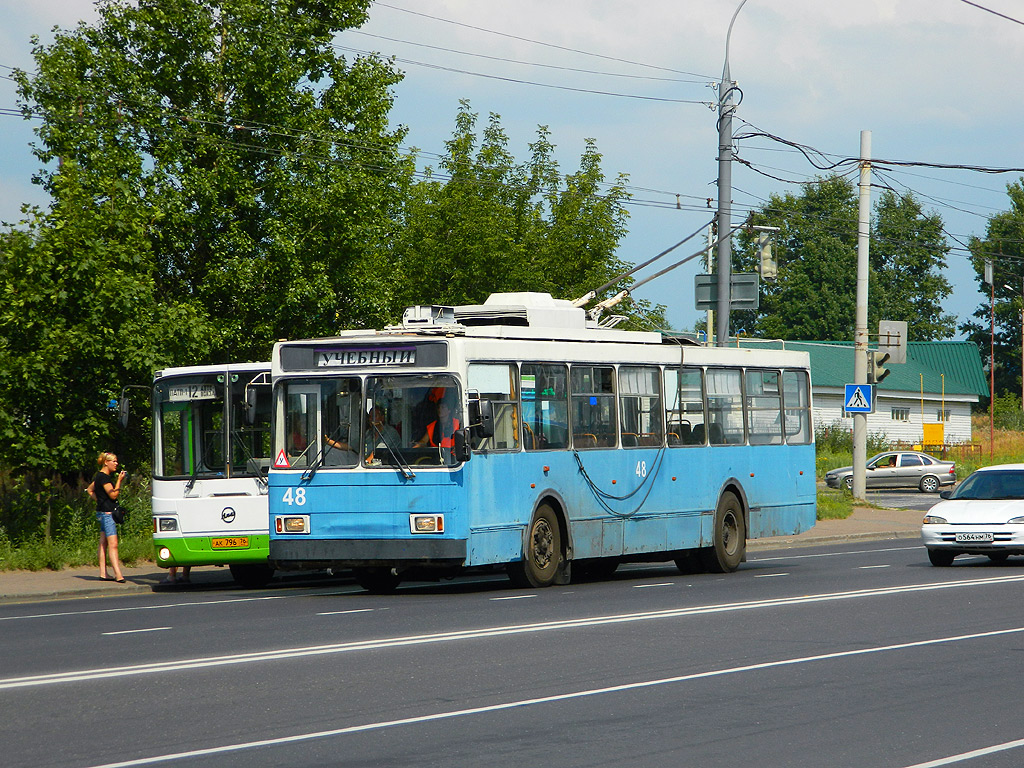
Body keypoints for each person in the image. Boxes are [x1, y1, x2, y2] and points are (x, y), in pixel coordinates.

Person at [85, 451, 127, 583]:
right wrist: (119, 481)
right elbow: (113, 495)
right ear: (106, 462)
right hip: (108, 514)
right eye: (113, 461)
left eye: (116, 461)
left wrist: (99, 501)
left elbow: (89, 489)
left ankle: (103, 573)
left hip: (101, 512)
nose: (116, 464)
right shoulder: (104, 477)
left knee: (103, 543)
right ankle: (118, 574)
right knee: (113, 544)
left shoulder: (98, 476)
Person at [326, 406, 400, 463]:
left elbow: (376, 453)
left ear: (382, 418)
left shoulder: (391, 433)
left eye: (375, 416)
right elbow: (350, 446)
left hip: (389, 469)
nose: (372, 419)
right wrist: (327, 441)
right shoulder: (368, 433)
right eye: (370, 417)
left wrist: (366, 463)